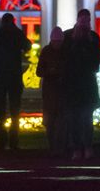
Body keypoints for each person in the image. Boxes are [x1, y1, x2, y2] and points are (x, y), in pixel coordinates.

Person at [61, 9, 100, 160]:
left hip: (86, 84)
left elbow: (95, 63)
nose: (85, 23)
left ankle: (87, 147)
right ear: (78, 20)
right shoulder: (68, 36)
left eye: (87, 20)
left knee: (86, 119)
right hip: (72, 84)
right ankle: (77, 148)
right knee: (74, 120)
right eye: (83, 20)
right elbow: (64, 59)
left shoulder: (93, 38)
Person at [0, 13, 32, 152]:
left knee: (1, 112)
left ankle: (2, 141)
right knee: (14, 111)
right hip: (14, 77)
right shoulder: (16, 34)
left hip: (0, 77)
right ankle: (13, 141)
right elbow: (28, 45)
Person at [37, 26, 67, 156]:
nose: (57, 44)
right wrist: (50, 72)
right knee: (50, 123)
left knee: (60, 123)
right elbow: (39, 71)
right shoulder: (47, 51)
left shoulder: (65, 52)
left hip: (61, 92)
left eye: (59, 42)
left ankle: (60, 147)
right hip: (50, 92)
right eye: (55, 41)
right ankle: (53, 147)